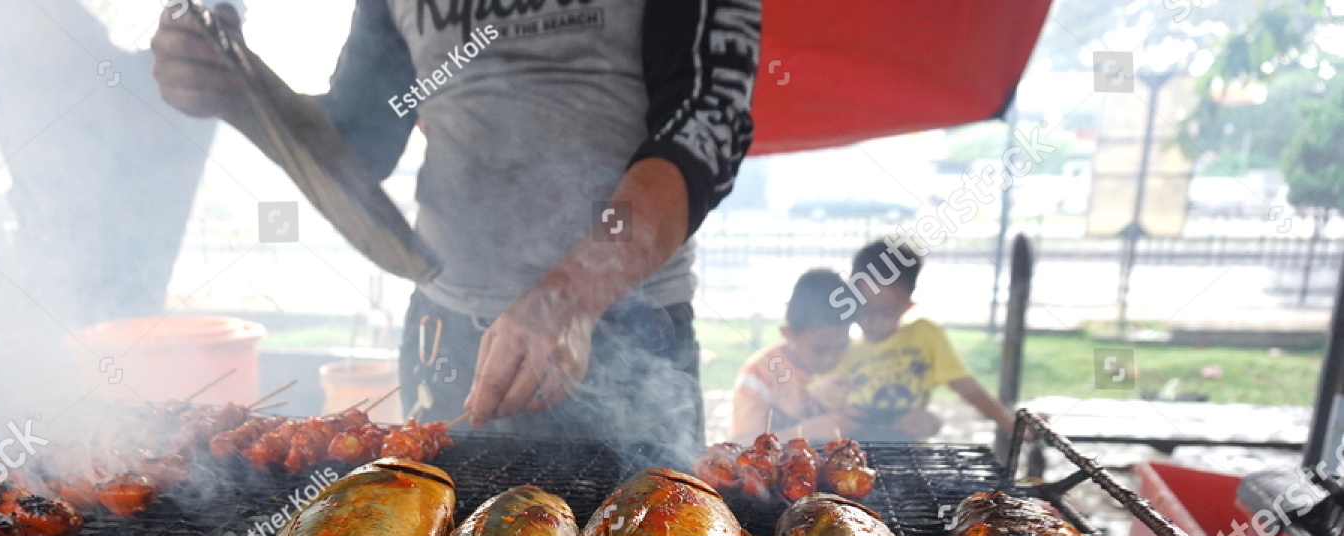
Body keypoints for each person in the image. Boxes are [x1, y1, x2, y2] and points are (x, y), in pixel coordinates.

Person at [150, 2, 762, 458]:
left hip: (630, 334)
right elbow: (362, 147)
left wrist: (569, 295)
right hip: (447, 339)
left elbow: (705, 128)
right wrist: (243, 93)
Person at [808, 239, 1016, 443]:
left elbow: (965, 386)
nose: (875, 321)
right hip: (851, 457)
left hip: (912, 455)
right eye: (866, 308)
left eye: (888, 312)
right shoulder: (837, 348)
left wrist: (1008, 424)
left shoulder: (925, 336)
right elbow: (808, 406)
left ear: (907, 306)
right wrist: (817, 397)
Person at [728, 269, 851, 440]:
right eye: (819, 350)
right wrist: (808, 430)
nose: (831, 358)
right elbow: (741, 443)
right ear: (788, 334)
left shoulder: (856, 359)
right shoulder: (759, 374)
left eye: (841, 347)